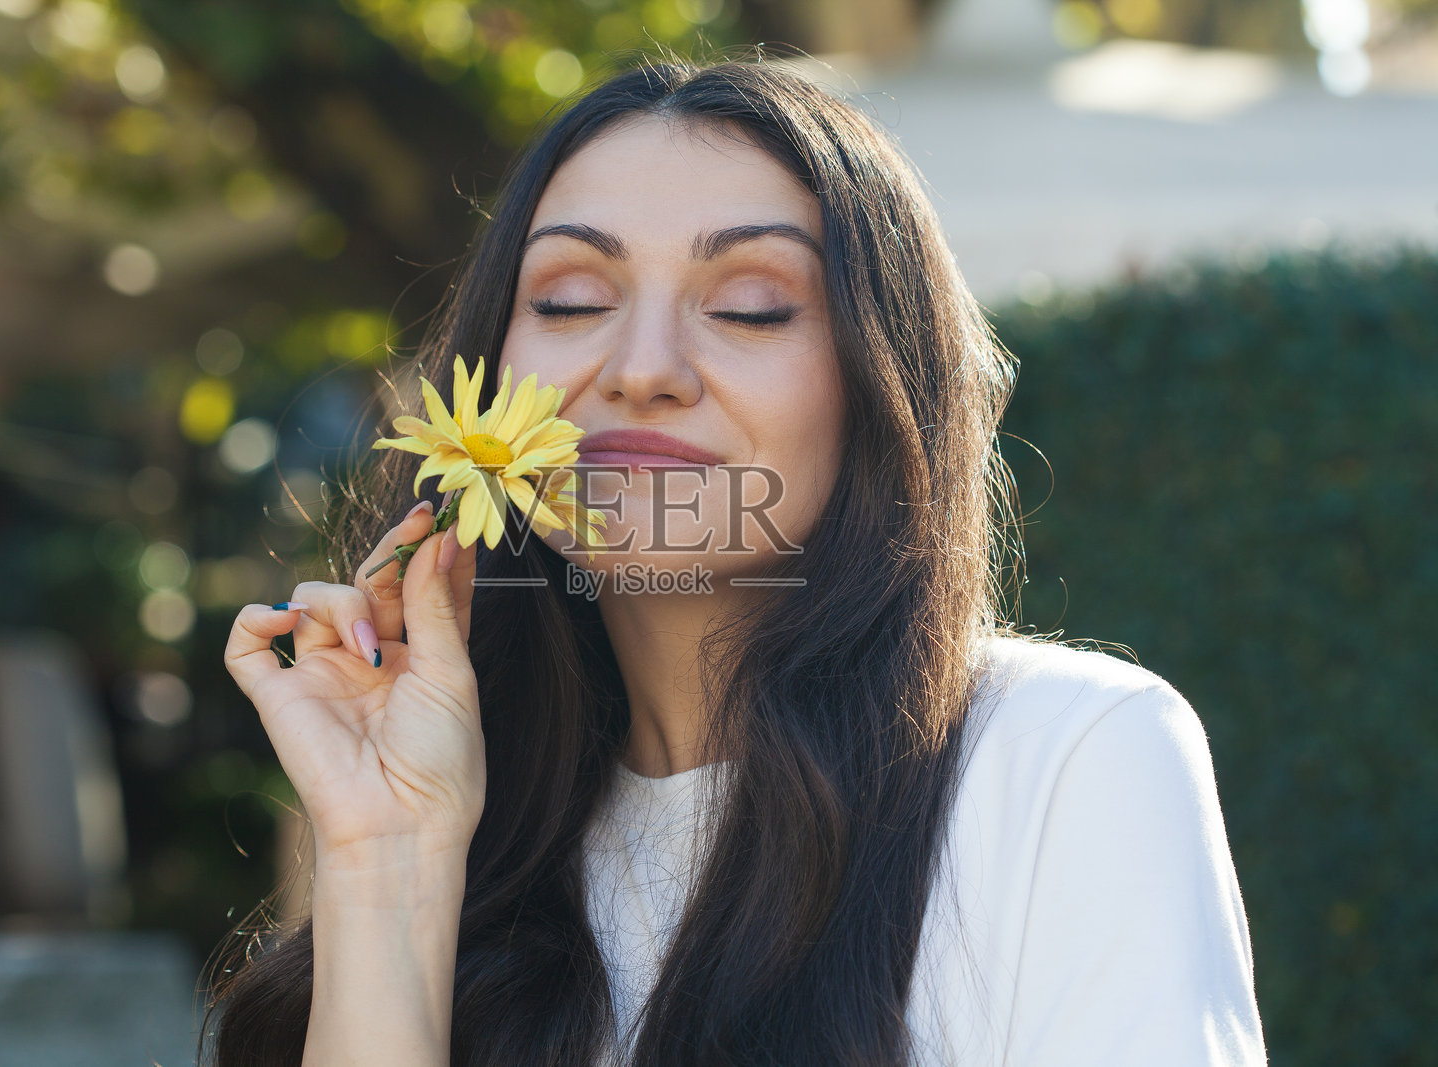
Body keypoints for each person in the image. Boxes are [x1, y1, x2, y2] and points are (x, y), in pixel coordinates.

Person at [208, 57, 1266, 1066]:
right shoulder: (472, 821)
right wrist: (389, 857)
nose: (643, 368)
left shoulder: (1064, 753)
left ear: (880, 379)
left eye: (751, 305)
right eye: (571, 300)